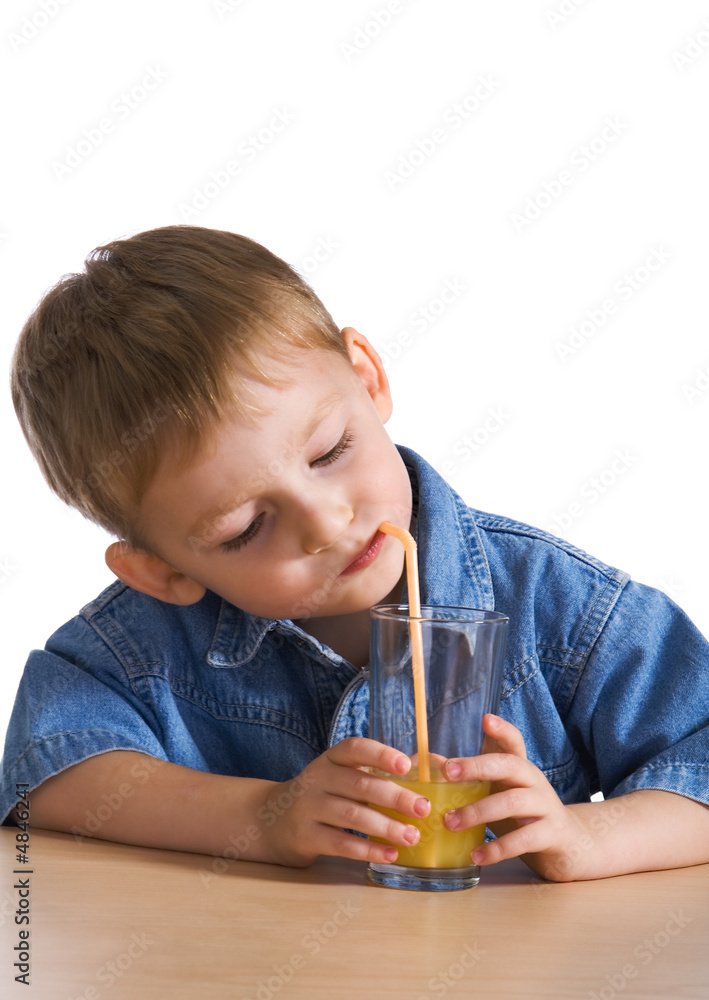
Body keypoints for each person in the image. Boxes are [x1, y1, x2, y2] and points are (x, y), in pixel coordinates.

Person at [2, 225, 708, 882]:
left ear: (367, 378)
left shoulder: (564, 609)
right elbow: (46, 775)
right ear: (164, 571)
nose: (326, 522)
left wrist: (587, 837)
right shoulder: (139, 646)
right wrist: (262, 817)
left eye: (330, 452)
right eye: (245, 528)